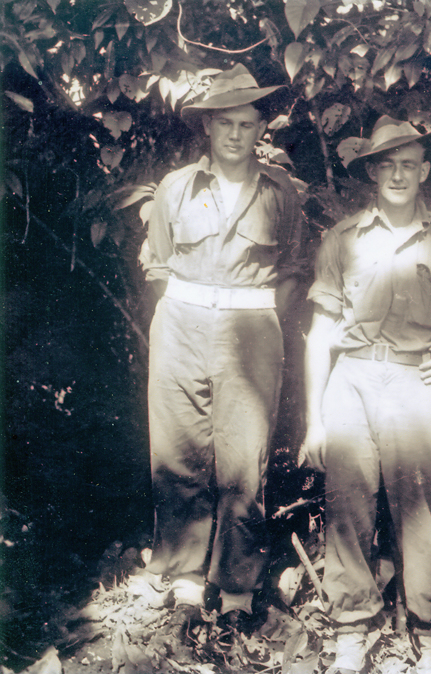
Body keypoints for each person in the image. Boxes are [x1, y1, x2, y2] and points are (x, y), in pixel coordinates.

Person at [299, 116, 431, 674]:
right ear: (371, 172)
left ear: (425, 172)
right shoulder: (341, 240)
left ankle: (429, 631)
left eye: (408, 164)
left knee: (422, 508)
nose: (397, 174)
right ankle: (350, 628)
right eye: (386, 165)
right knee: (348, 505)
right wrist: (315, 419)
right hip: (353, 380)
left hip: (416, 383)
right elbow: (321, 333)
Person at [140, 65, 304, 632]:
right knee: (179, 450)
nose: (236, 134)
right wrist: (196, 308)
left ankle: (237, 591)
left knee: (243, 461)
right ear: (208, 126)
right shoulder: (176, 188)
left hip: (252, 327)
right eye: (225, 122)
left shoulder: (282, 192)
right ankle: (186, 584)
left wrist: (250, 314)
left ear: (262, 128)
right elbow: (158, 264)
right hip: (181, 323)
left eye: (247, 122)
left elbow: (293, 270)